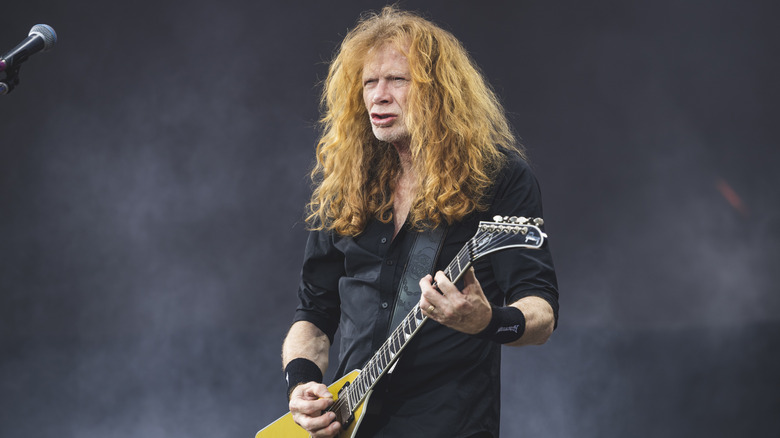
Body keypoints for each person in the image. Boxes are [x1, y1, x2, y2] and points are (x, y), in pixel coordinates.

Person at [281, 6, 558, 438]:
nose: (378, 95)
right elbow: (313, 315)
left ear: (438, 91)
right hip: (352, 424)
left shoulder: (497, 177)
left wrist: (487, 322)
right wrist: (301, 386)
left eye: (397, 79)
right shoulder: (346, 183)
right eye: (369, 82)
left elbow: (540, 314)